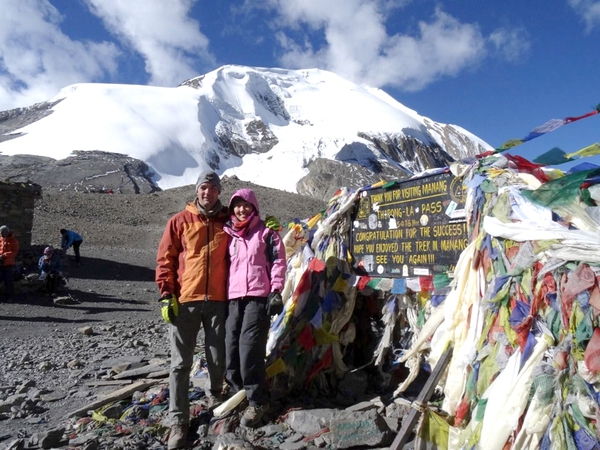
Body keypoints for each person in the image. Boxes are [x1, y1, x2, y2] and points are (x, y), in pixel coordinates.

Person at [155, 170, 229, 450]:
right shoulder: (180, 220)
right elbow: (166, 259)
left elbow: (250, 237)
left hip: (218, 301)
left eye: (211, 188)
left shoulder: (227, 221)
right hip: (185, 300)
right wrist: (166, 294)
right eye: (203, 188)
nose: (207, 193)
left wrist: (267, 226)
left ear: (218, 192)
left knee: (217, 356)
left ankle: (216, 400)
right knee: (180, 364)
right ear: (196, 191)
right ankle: (178, 421)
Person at [223, 188, 287, 428]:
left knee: (249, 350)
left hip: (258, 297)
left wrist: (276, 290)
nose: (241, 209)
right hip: (233, 297)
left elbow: (279, 261)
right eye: (237, 205)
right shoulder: (228, 234)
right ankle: (237, 393)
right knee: (230, 348)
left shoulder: (268, 233)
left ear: (254, 207)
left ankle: (258, 400)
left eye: (246, 205)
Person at [0, 225, 19, 302]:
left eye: (2, 232)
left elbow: (14, 252)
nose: (1, 233)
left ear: (6, 232)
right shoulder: (0, 239)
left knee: (8, 281)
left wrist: (4, 255)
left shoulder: (13, 241)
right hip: (0, 263)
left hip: (8, 264)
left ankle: (10, 297)